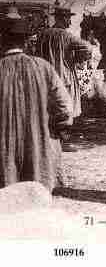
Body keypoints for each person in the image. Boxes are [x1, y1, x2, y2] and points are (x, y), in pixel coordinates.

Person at [0, 15, 73, 192]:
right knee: (36, 203)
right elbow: (65, 107)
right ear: (26, 41)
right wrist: (55, 128)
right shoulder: (43, 67)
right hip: (38, 152)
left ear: (2, 41)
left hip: (4, 157)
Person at [37, 1, 91, 119]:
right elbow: (88, 48)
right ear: (62, 19)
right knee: (64, 112)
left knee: (48, 112)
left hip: (45, 78)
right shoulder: (66, 36)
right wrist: (78, 59)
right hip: (63, 78)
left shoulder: (43, 34)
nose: (70, 22)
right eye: (68, 19)